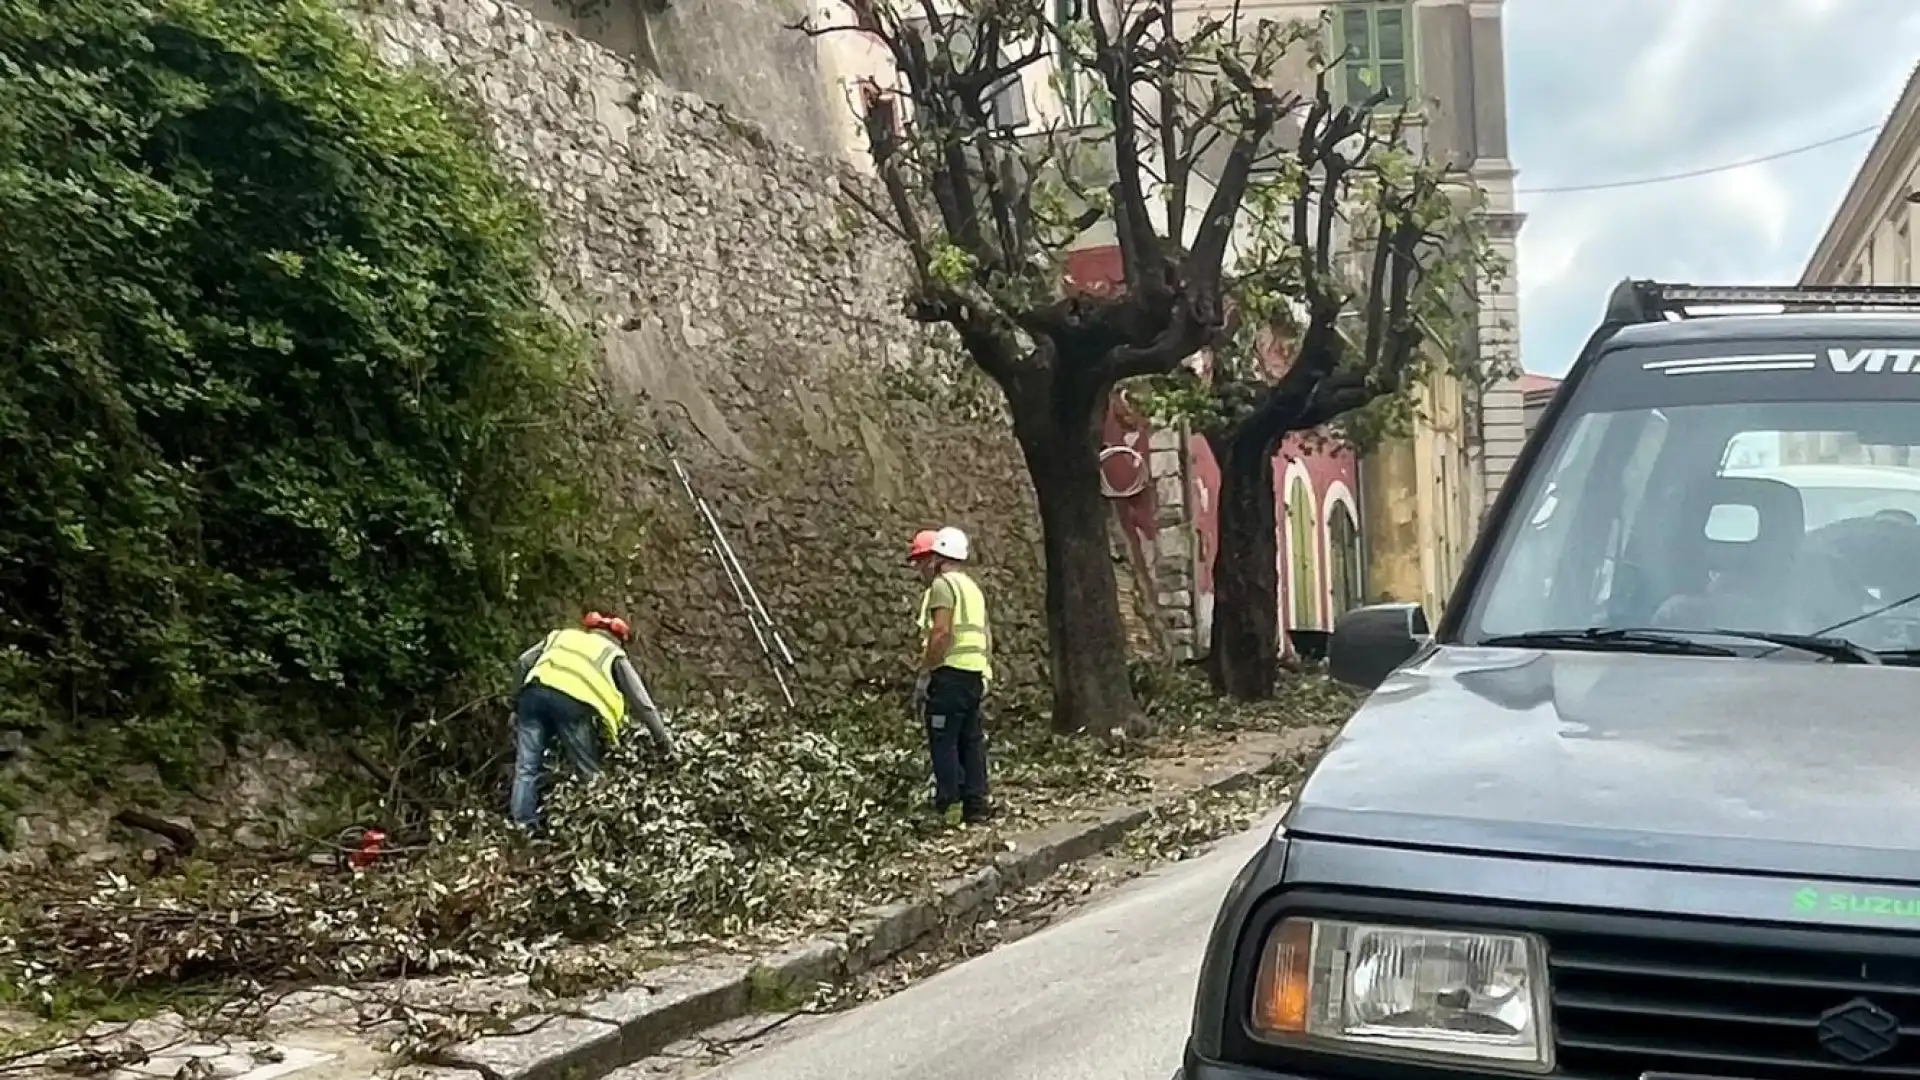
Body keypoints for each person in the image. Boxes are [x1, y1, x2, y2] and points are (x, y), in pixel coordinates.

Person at [508, 611, 670, 828]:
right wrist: (663, 741)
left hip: (533, 697)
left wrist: (514, 703)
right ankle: (599, 831)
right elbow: (642, 703)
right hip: (572, 706)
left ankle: (522, 826)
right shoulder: (613, 653)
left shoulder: (561, 636)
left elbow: (523, 662)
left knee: (527, 767)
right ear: (620, 641)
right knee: (588, 772)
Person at [907, 526, 994, 826]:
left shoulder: (943, 587)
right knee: (970, 739)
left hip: (949, 674)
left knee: (943, 739)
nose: (920, 568)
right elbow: (986, 635)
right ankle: (976, 803)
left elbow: (941, 632)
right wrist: (985, 673)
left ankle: (950, 805)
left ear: (937, 558)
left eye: (923, 561)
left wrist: (926, 673)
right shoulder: (972, 588)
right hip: (972, 674)